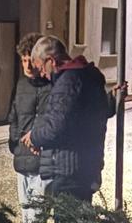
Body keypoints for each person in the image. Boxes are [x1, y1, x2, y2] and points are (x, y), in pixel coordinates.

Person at [22, 35, 112, 202]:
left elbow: (55, 127)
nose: (43, 74)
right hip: (86, 167)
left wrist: (34, 137)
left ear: (51, 61)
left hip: (69, 172)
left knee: (68, 217)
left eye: (41, 68)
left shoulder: (68, 82)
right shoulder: (88, 76)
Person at [7, 33, 51, 223]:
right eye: (24, 60)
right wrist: (15, 145)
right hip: (22, 161)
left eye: (31, 60)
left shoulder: (52, 85)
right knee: (26, 218)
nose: (27, 66)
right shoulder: (21, 84)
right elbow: (14, 116)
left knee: (36, 220)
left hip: (44, 163)